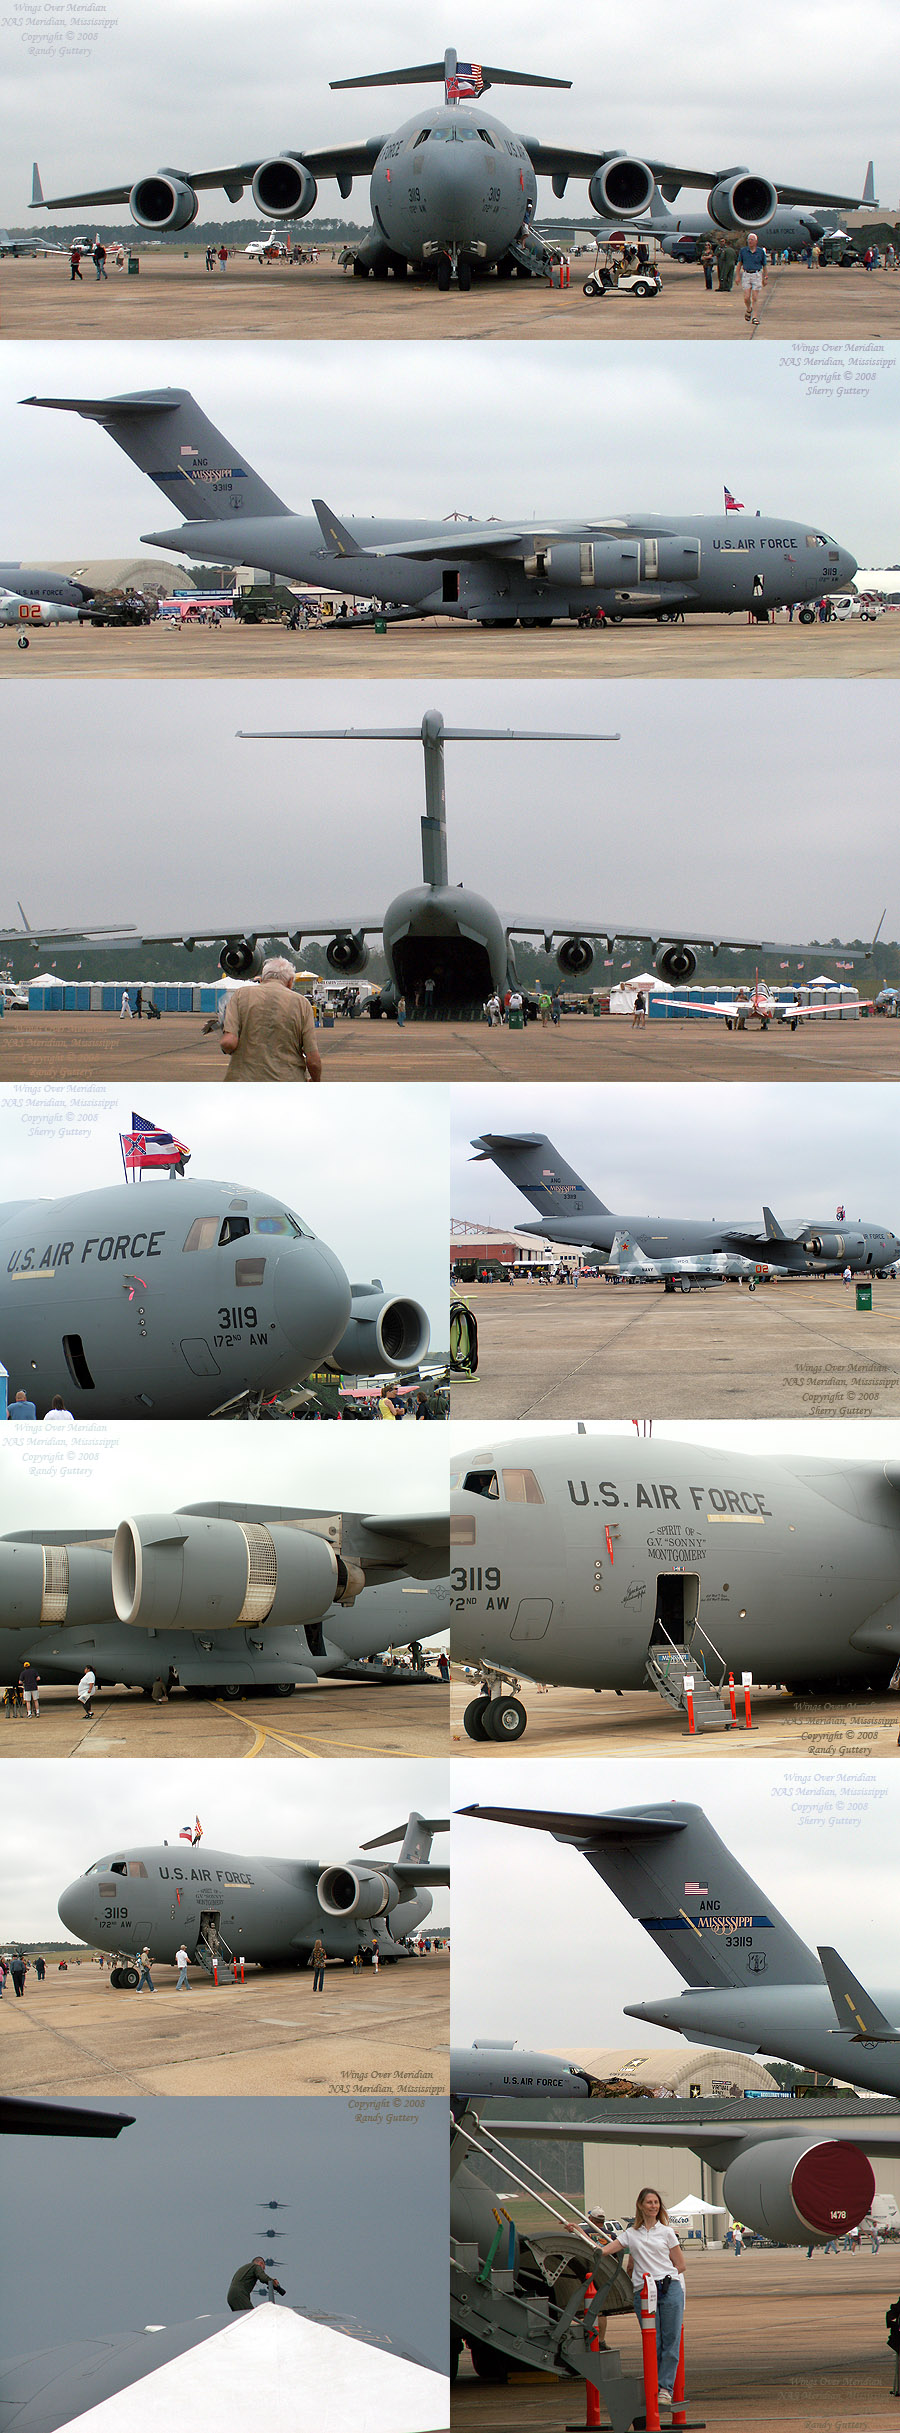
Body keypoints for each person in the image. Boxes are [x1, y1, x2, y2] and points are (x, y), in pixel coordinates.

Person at [599, 2187, 686, 2409]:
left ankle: (665, 2388)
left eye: (656, 2202)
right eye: (649, 2202)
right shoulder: (631, 2233)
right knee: (652, 2342)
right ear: (640, 2205)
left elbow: (681, 2264)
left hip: (668, 2288)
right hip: (644, 2291)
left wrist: (664, 2274)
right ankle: (654, 2386)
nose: (653, 2206)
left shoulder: (666, 2232)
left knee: (670, 2340)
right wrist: (577, 2235)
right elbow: (605, 2250)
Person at [220, 959, 322, 1082]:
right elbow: (313, 1060)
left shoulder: (240, 995)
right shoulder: (302, 1004)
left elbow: (228, 1043)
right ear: (290, 982)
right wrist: (316, 1082)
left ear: (262, 979)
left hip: (244, 1082)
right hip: (287, 1083)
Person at [738, 232, 767, 323]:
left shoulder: (760, 252)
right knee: (746, 297)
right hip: (747, 274)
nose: (750, 241)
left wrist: (765, 277)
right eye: (749, 240)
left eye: (752, 240)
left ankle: (755, 317)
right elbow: (739, 264)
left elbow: (764, 266)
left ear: (756, 241)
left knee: (755, 297)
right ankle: (748, 309)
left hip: (756, 274)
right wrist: (737, 276)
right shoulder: (743, 251)